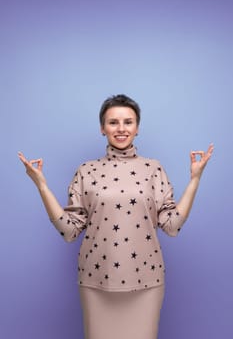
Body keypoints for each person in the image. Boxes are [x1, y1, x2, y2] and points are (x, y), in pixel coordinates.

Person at [18, 94, 214, 339]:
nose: (121, 129)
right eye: (113, 122)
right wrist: (42, 186)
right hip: (96, 280)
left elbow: (172, 226)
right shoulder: (86, 171)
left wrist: (195, 180)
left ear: (137, 127)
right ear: (102, 128)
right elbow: (69, 231)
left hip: (146, 281)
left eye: (128, 122)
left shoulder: (153, 169)